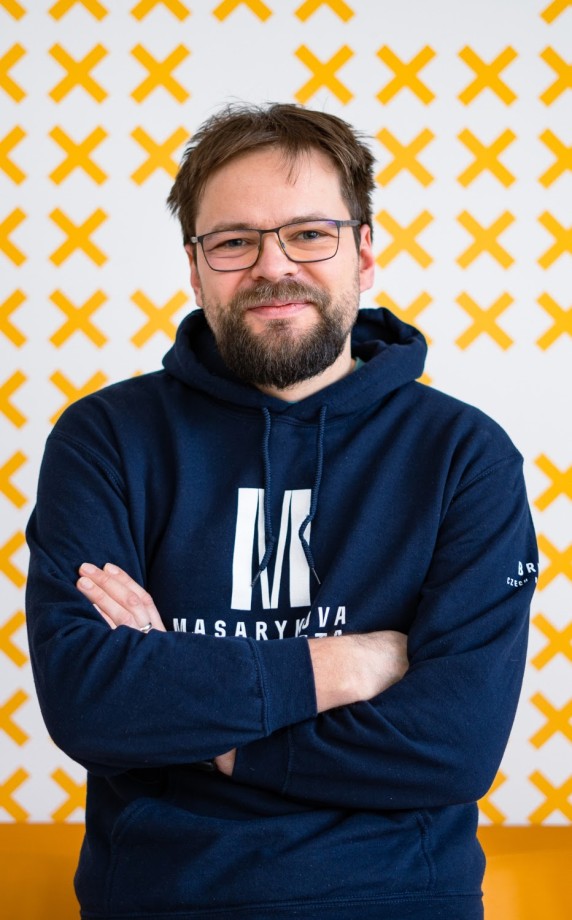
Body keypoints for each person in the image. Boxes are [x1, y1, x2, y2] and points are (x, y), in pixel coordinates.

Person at [26, 103, 537, 920]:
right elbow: (91, 702)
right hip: (161, 897)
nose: (273, 266)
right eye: (234, 242)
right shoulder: (104, 440)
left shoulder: (463, 455)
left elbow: (453, 746)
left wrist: (197, 722)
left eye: (309, 233)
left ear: (363, 253)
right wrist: (344, 667)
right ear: (196, 270)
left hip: (395, 897)